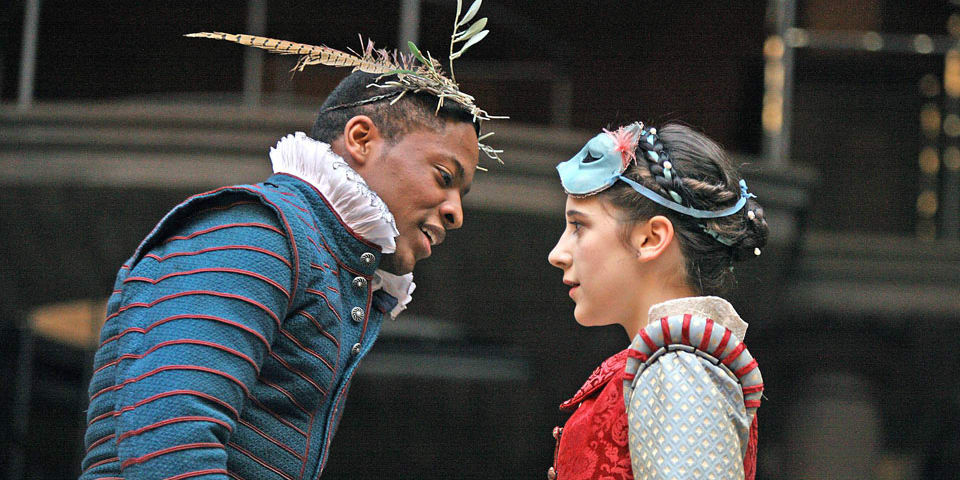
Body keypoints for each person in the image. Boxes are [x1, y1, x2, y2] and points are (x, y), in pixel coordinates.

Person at [78, 9, 501, 478]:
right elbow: (173, 435)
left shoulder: (322, 256)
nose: (455, 213)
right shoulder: (262, 230)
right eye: (444, 177)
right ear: (361, 139)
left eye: (461, 195)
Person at [545, 122, 767, 480]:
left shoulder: (681, 366)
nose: (558, 253)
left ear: (651, 238)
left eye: (578, 226)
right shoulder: (676, 360)